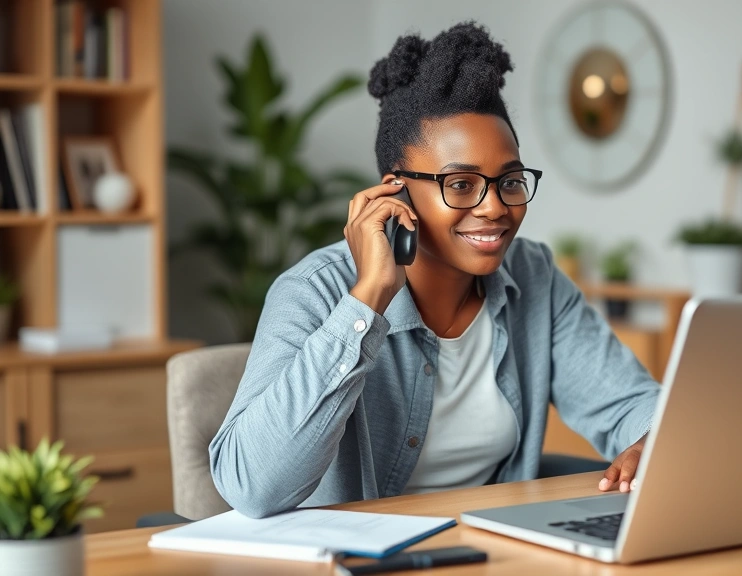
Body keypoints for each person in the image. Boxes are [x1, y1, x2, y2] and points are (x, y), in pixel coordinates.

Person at [210, 22, 660, 519]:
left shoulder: (534, 276)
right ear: (394, 193)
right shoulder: (313, 293)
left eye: (509, 180)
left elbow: (630, 403)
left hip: (493, 553)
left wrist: (652, 441)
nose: (494, 207)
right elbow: (250, 486)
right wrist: (366, 302)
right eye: (461, 184)